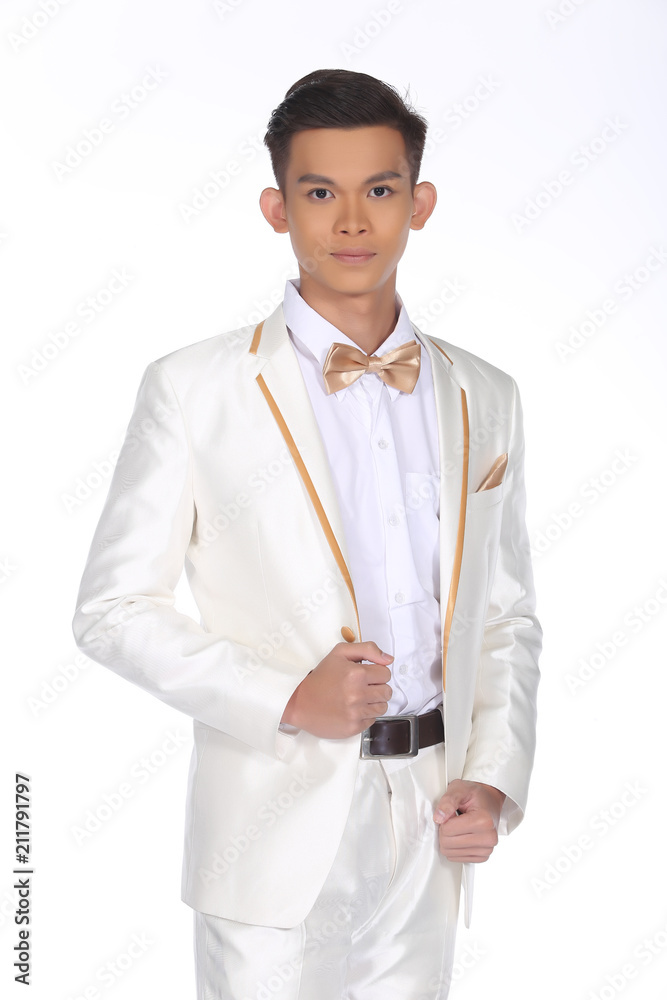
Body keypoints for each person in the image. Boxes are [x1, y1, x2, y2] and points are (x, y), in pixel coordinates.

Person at [72, 68, 542, 1000]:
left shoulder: (484, 394)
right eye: (320, 193)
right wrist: (288, 696)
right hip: (265, 830)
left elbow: (506, 616)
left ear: (420, 204)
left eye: (380, 190)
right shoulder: (192, 388)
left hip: (430, 820)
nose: (353, 222)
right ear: (276, 209)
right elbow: (112, 611)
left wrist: (492, 778)